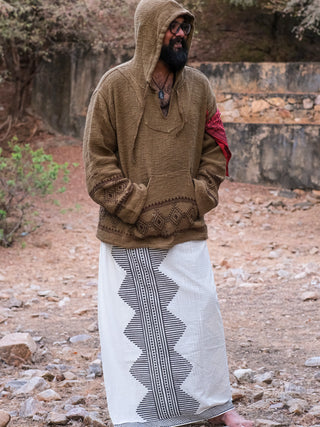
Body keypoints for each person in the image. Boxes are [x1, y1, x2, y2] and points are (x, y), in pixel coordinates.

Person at [83, 0, 253, 426]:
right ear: (148, 33)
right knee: (141, 334)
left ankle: (218, 409)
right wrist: (137, 206)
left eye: (184, 27)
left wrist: (198, 196)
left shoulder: (198, 86)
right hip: (130, 234)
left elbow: (217, 149)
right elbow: (98, 163)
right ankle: (147, 419)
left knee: (201, 320)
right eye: (170, 27)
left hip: (187, 228)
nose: (179, 34)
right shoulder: (114, 86)